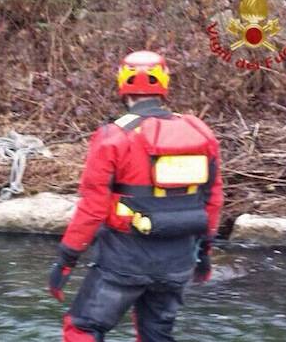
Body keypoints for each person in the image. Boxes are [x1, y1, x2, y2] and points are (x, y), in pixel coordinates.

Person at [48, 50, 224, 342]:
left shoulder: (113, 136)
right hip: (178, 262)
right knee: (156, 334)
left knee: (81, 329)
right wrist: (204, 253)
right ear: (164, 84)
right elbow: (213, 200)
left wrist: (66, 261)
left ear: (123, 85)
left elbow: (93, 208)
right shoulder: (200, 133)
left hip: (124, 262)